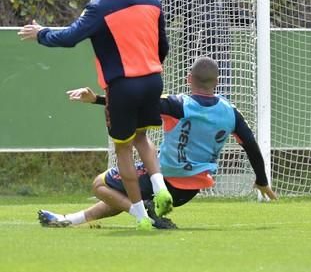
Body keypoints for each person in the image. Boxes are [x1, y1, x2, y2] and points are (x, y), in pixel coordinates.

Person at [18, 0, 173, 230]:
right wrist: (150, 67)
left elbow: (69, 37)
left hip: (123, 86)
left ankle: (140, 215)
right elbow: (163, 45)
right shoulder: (152, 0)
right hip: (152, 79)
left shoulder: (99, 8)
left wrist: (41, 33)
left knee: (123, 149)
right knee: (143, 138)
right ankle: (160, 187)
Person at [38, 57, 277, 229]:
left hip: (163, 180)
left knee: (100, 184)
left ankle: (143, 214)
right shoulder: (231, 113)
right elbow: (251, 146)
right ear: (217, 81)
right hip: (190, 190)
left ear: (189, 78)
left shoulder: (178, 104)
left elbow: (134, 104)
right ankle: (69, 220)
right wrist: (262, 181)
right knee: (126, 194)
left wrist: (95, 99)